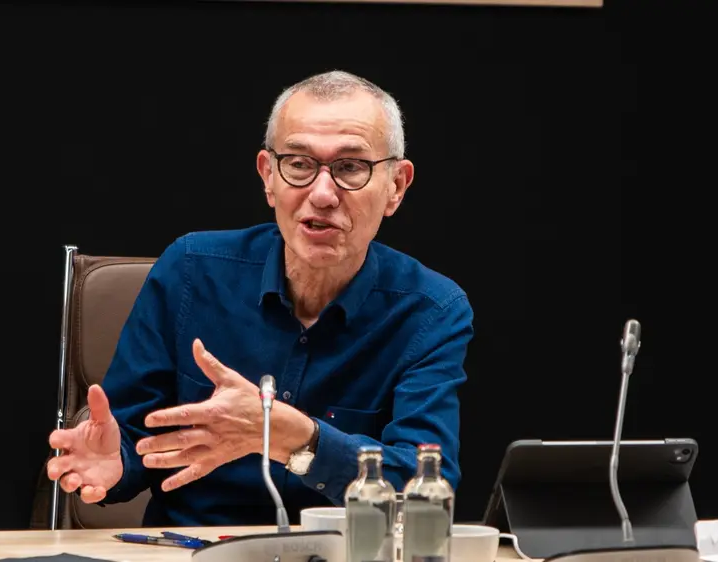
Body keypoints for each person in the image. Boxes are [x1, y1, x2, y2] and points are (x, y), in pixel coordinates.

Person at [46, 70, 474, 527]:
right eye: (299, 164)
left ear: (396, 186)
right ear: (269, 176)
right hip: (192, 551)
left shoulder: (431, 310)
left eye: (351, 168)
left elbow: (425, 489)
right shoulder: (190, 271)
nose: (323, 194)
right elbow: (133, 439)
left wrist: (298, 438)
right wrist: (115, 461)